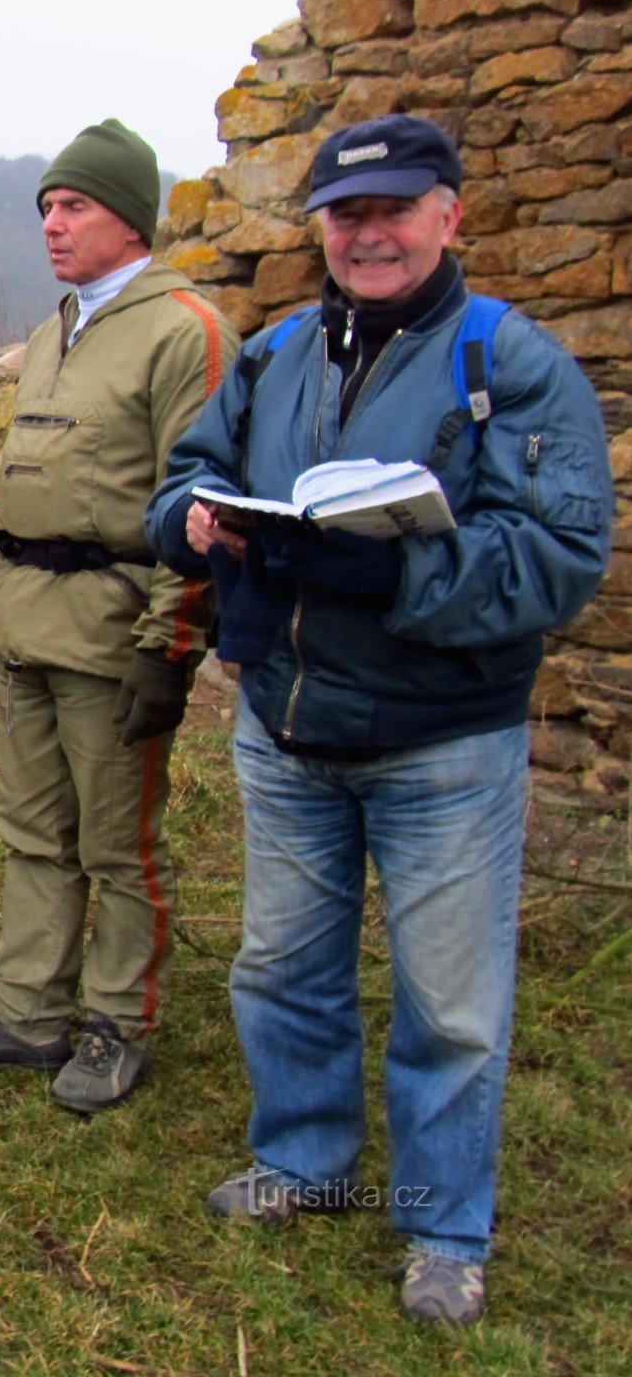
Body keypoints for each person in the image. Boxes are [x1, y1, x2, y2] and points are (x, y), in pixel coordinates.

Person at [147, 114, 612, 1325]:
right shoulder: (278, 350)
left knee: (451, 1004)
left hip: (442, 742)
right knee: (281, 966)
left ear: (448, 215)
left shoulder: (509, 363)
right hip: (288, 725)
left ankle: (445, 1226)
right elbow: (189, 470)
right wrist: (188, 516)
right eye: (346, 215)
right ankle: (307, 1162)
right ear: (321, 229)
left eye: (395, 209)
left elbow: (560, 558)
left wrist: (389, 574)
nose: (368, 233)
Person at [0, 119, 237, 1113]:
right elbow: (31, 485)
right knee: (34, 829)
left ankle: (116, 1021)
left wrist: (171, 644)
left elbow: (210, 501)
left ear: (129, 217)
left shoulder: (186, 329)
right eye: (46, 206)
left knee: (117, 842)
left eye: (75, 205)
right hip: (30, 623)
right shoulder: (60, 326)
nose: (52, 223)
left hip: (114, 629)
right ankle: (26, 1010)